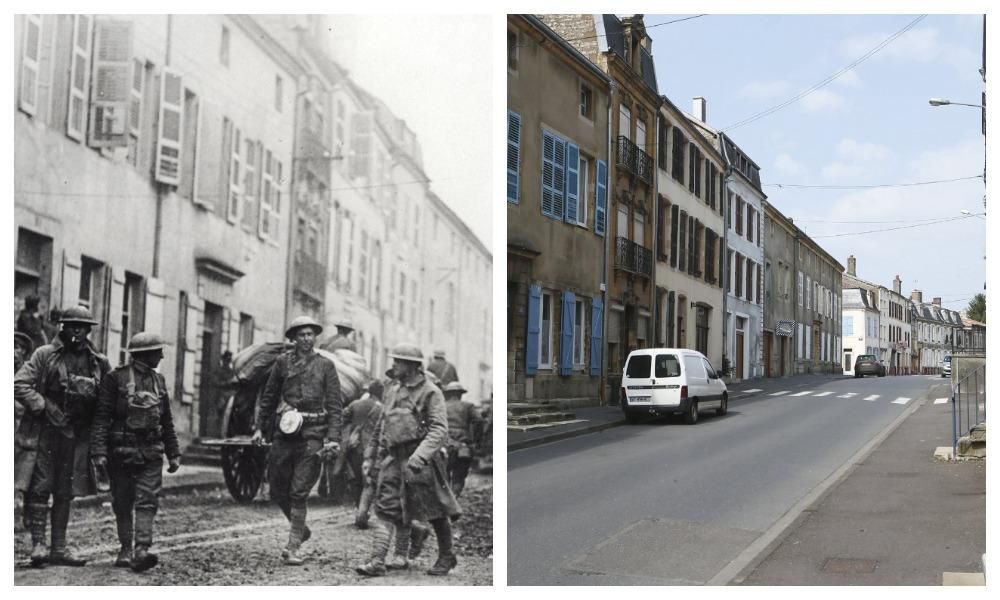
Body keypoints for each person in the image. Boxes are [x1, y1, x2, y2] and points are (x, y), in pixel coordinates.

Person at [14, 306, 112, 567]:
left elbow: (108, 401)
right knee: (40, 487)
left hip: (78, 437)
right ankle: (38, 545)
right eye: (71, 326)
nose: (77, 331)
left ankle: (59, 547)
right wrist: (44, 405)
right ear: (62, 327)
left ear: (89, 330)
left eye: (82, 326)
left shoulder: (99, 362)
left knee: (66, 491)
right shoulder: (45, 355)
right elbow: (18, 383)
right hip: (44, 433)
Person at [355, 343, 461, 577]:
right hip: (393, 458)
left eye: (398, 361)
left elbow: (439, 429)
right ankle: (377, 561)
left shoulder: (430, 392)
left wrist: (420, 456)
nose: (394, 365)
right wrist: (371, 456)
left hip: (420, 460)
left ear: (412, 366)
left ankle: (446, 555)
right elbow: (383, 426)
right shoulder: (392, 390)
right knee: (385, 508)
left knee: (433, 510)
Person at [251, 316, 343, 566]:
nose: (306, 339)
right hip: (285, 432)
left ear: (315, 338)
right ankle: (300, 529)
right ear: (293, 338)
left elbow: (335, 405)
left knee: (299, 491)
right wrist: (260, 428)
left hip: (313, 434)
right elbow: (269, 397)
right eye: (301, 334)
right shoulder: (282, 363)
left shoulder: (326, 366)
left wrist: (333, 439)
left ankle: (292, 547)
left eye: (310, 334)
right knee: (278, 488)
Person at [90, 332, 181, 572]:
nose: (161, 355)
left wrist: (173, 453)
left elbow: (166, 421)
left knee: (147, 499)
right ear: (144, 354)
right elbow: (102, 417)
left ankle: (141, 549)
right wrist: (99, 451)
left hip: (151, 452)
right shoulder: (115, 379)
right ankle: (125, 548)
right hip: (121, 453)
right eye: (157, 351)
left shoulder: (159, 381)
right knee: (122, 501)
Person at [340, 380, 384, 507]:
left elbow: (342, 419)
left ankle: (358, 504)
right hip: (374, 448)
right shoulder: (382, 408)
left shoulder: (355, 404)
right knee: (372, 477)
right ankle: (367, 507)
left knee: (356, 477)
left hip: (356, 445)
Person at [442, 382, 482, 497]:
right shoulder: (468, 406)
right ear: (460, 394)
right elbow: (479, 421)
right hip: (463, 446)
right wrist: (475, 439)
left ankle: (446, 501)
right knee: (459, 476)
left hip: (443, 444)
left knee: (444, 474)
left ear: (447, 394)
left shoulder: (441, 406)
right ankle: (454, 497)